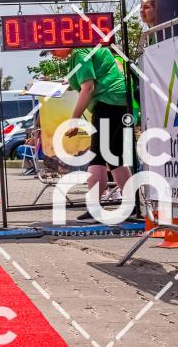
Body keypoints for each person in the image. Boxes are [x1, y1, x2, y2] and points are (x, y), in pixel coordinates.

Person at [50, 45, 133, 223]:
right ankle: (132, 206)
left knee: (96, 156)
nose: (52, 53)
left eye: (53, 48)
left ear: (65, 40)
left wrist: (74, 120)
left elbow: (88, 87)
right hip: (119, 101)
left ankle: (95, 208)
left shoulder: (79, 53)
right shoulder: (88, 48)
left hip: (107, 103)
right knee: (114, 156)